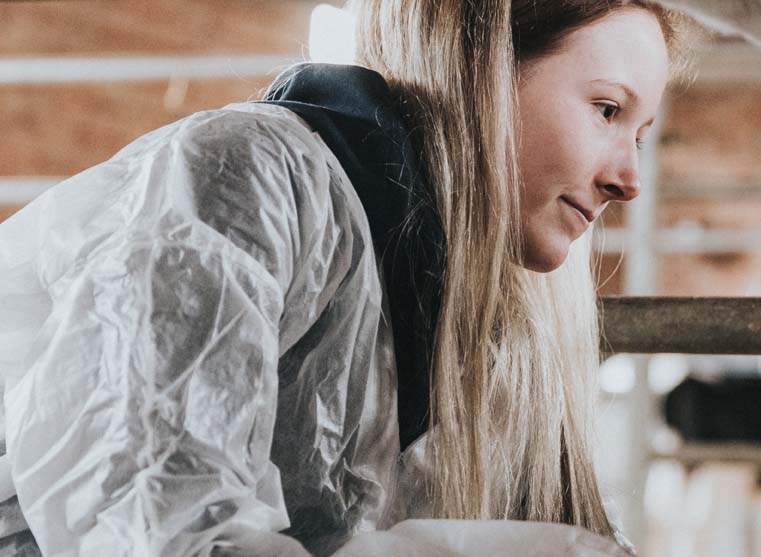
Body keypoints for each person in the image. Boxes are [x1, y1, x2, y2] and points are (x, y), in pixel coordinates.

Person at [0, 0, 680, 554]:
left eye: (641, 134)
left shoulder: (441, 316)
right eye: (607, 110)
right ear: (483, 69)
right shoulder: (247, 184)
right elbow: (150, 527)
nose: (629, 179)